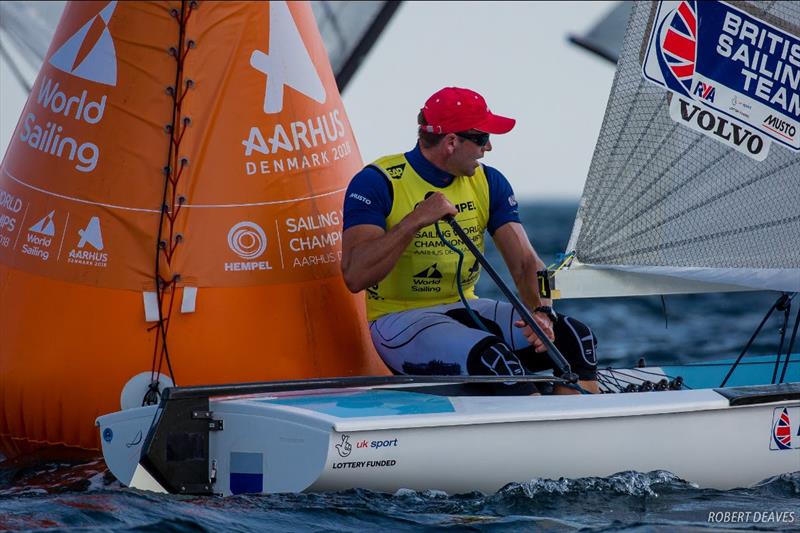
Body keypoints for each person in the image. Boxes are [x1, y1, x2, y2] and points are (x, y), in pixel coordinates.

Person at [341, 87, 598, 394]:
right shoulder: (377, 181)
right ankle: (536, 427)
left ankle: (574, 425)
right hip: (399, 320)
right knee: (493, 360)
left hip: (466, 307)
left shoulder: (489, 181)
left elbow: (526, 262)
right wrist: (415, 220)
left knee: (575, 338)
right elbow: (355, 276)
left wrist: (542, 312)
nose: (488, 147)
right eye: (481, 139)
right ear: (451, 142)